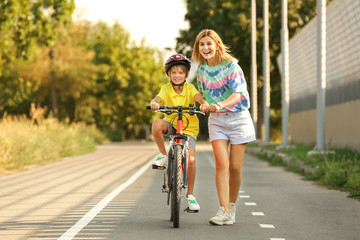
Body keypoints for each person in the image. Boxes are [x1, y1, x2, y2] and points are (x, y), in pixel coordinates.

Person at [192, 29, 256, 225]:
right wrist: (202, 102)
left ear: (217, 45)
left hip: (238, 119)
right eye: (201, 44)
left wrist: (220, 104)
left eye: (209, 43)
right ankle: (223, 210)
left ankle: (231, 207)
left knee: (235, 167)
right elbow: (202, 94)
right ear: (198, 48)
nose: (205, 47)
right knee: (221, 164)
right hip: (217, 121)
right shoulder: (202, 70)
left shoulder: (231, 66)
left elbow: (238, 94)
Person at [149, 53, 209, 212]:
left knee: (190, 160)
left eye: (181, 72)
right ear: (169, 74)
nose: (177, 75)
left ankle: (190, 196)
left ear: (186, 75)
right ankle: (162, 155)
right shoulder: (166, 89)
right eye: (174, 72)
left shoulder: (190, 88)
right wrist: (154, 103)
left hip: (188, 128)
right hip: (172, 124)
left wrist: (203, 104)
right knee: (156, 124)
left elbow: (199, 98)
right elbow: (158, 98)